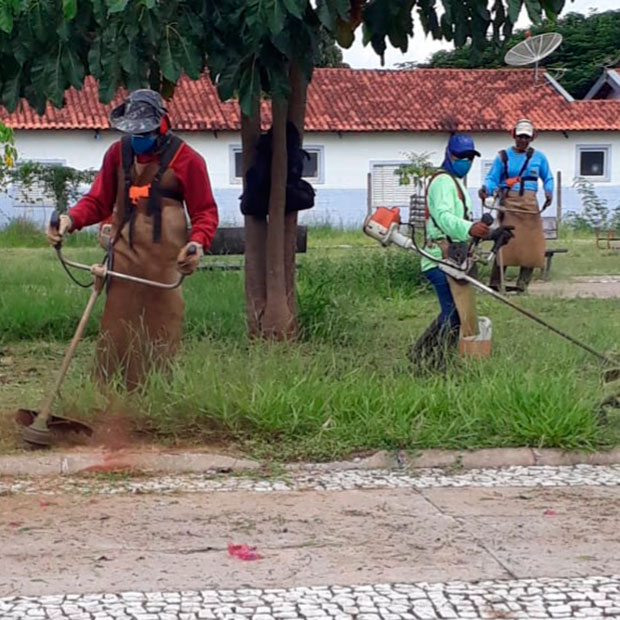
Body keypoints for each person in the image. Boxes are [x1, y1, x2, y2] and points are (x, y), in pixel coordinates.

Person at [47, 89, 219, 388]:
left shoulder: (188, 160)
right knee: (115, 339)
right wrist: (70, 219)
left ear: (161, 126)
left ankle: (153, 406)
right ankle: (107, 406)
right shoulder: (118, 153)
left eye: (145, 133)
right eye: (133, 132)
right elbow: (98, 202)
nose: (139, 139)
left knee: (160, 340)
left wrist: (197, 244)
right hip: (123, 263)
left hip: (165, 267)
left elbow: (205, 212)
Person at [409, 133, 490, 372]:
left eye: (470, 157)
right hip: (438, 257)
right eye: (461, 156)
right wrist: (469, 228)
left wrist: (489, 232)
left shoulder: (456, 183)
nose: (466, 161)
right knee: (454, 314)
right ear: (449, 155)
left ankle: (420, 353)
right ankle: (438, 363)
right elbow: (444, 218)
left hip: (453, 257)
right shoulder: (443, 182)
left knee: (452, 311)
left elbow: (462, 220)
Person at [479, 118, 553, 292]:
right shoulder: (503, 157)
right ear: (513, 135)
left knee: (530, 245)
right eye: (520, 136)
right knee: (504, 242)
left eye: (526, 137)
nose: (523, 140)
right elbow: (492, 179)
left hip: (530, 205)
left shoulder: (539, 157)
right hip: (508, 203)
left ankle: (522, 285)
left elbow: (548, 177)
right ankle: (496, 284)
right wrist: (486, 190)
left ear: (532, 138)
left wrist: (549, 191)